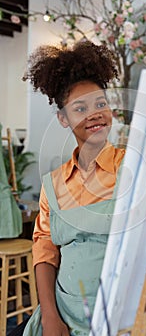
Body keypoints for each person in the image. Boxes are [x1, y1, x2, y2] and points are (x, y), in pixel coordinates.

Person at [10, 40, 125, 336]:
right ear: (63, 119)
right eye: (80, 108)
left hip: (118, 317)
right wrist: (49, 316)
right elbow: (45, 251)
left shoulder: (132, 169)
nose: (95, 114)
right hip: (62, 312)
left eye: (100, 103)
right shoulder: (53, 184)